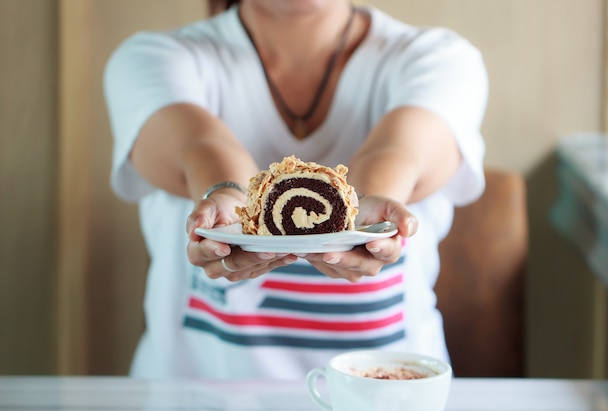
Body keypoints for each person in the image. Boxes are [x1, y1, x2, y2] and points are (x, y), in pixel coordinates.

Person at [103, 0, 488, 379]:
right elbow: (201, 147)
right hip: (198, 401)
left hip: (389, 397)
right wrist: (231, 196)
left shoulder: (440, 60)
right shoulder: (153, 58)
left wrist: (363, 213)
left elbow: (399, 150)